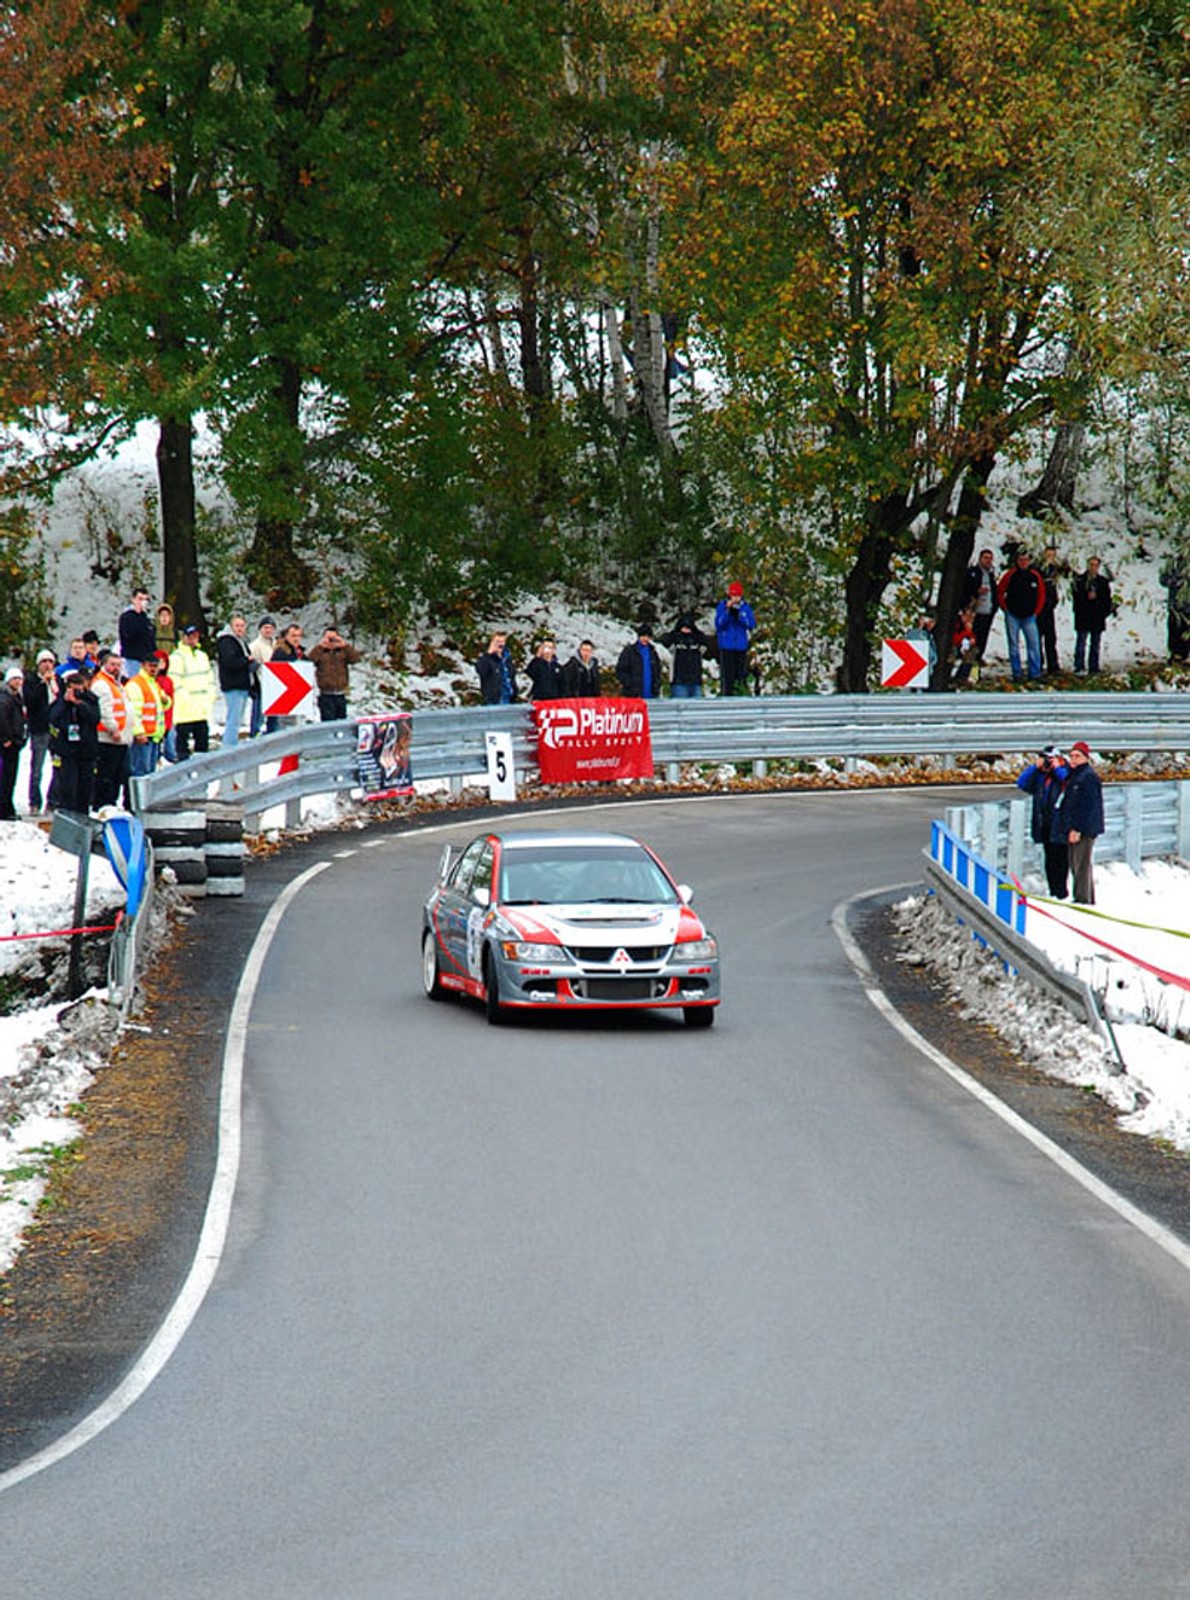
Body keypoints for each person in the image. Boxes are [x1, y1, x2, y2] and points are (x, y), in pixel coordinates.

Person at [1016, 745, 1070, 899]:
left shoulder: (1064, 772)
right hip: (1044, 823)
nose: (1047, 763)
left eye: (1049, 759)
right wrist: (1035, 767)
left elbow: (1069, 783)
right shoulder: (1040, 776)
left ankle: (1061, 892)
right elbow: (1021, 783)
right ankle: (1053, 891)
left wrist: (1057, 768)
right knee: (1049, 859)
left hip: (1060, 823)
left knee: (1061, 859)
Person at [1055, 740, 1104, 904]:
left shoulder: (1088, 777)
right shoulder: (1074, 775)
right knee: (1076, 863)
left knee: (1080, 865)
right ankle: (1085, 897)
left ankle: (1082, 899)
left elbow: (1089, 807)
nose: (1074, 759)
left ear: (1086, 758)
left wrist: (1077, 829)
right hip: (1073, 827)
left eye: (1078, 756)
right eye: (1072, 756)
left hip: (1084, 830)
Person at [47, 667, 100, 813]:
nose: (76, 692)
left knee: (85, 788)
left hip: (86, 749)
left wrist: (78, 703)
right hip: (67, 750)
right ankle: (67, 813)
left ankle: (83, 814)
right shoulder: (60, 701)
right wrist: (65, 702)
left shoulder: (90, 699)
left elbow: (94, 718)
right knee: (68, 787)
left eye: (79, 689)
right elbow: (53, 718)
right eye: (73, 689)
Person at [91, 649, 136, 808]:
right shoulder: (102, 684)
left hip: (121, 738)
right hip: (108, 738)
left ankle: (110, 804)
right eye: (112, 664)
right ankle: (103, 806)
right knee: (107, 777)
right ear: (104, 665)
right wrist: (113, 729)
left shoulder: (117, 684)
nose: (116, 668)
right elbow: (105, 711)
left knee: (117, 776)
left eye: (118, 665)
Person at [996, 548, 1046, 682]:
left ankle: (1034, 673)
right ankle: (1016, 673)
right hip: (1013, 615)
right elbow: (1000, 591)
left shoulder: (1035, 576)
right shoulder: (1010, 575)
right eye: (1021, 560)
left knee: (1034, 645)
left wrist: (1036, 611)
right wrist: (1005, 608)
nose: (1023, 562)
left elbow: (1041, 594)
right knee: (1013, 645)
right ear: (1017, 561)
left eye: (1026, 560)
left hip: (1030, 616)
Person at [169, 622, 216, 760]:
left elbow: (210, 679)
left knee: (202, 746)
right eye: (190, 636)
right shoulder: (177, 657)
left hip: (201, 710)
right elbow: (175, 683)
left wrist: (210, 696)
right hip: (184, 712)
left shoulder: (202, 656)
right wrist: (186, 701)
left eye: (195, 636)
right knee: (182, 746)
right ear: (183, 637)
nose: (193, 639)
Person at [23, 650, 58, 812]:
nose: (47, 665)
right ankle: (34, 801)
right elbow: (31, 701)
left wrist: (53, 684)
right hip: (39, 728)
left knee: (58, 767)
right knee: (37, 768)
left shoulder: (57, 681)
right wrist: (42, 684)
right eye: (44, 662)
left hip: (55, 729)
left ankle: (53, 800)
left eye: (50, 662)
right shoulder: (31, 681)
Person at [124, 656, 167, 780]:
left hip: (153, 735)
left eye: (155, 666)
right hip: (143, 737)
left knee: (150, 774)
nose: (153, 669)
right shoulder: (136, 684)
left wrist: (166, 701)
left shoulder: (153, 684)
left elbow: (160, 707)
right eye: (150, 666)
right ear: (143, 666)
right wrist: (138, 732)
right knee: (141, 773)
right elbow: (134, 711)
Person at [308, 626, 361, 721]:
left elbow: (355, 659)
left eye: (334, 638)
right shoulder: (320, 652)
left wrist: (345, 645)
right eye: (329, 638)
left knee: (342, 720)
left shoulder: (343, 651)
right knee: (328, 721)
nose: (331, 641)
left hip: (340, 693)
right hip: (326, 694)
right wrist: (320, 647)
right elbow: (309, 661)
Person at [216, 615, 254, 745]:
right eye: (237, 626)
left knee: (237, 719)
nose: (240, 628)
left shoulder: (241, 641)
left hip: (242, 684)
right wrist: (246, 660)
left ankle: (232, 745)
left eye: (242, 626)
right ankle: (229, 747)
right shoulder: (227, 641)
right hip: (233, 685)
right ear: (231, 627)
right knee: (234, 720)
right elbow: (230, 661)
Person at [1072, 556, 1113, 675]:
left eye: (1095, 565)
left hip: (1097, 616)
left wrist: (1103, 613)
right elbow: (1076, 598)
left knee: (1095, 644)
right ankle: (1079, 666)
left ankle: (1094, 667)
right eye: (1091, 565)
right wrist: (1086, 598)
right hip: (1083, 615)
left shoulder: (1103, 582)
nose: (1093, 567)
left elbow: (1107, 600)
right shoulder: (1079, 580)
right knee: (1081, 642)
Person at [714, 581, 757, 696]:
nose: (735, 598)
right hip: (727, 646)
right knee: (727, 676)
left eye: (737, 595)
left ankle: (740, 693)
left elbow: (751, 624)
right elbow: (719, 624)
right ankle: (727, 695)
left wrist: (740, 615)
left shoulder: (745, 607)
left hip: (740, 646)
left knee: (740, 675)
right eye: (733, 595)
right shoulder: (722, 606)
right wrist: (728, 611)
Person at [660, 612, 713, 698]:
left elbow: (707, 643)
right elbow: (665, 643)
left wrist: (695, 634)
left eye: (689, 627)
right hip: (679, 680)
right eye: (684, 627)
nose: (686, 630)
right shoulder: (675, 639)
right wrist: (678, 634)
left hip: (695, 680)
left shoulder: (697, 638)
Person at [0, 666, 27, 820]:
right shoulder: (5, 698)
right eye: (14, 679)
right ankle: (4, 808)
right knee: (6, 777)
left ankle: (7, 806)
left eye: (19, 679)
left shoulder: (17, 697)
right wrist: (5, 739)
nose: (17, 682)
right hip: (8, 743)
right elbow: (2, 719)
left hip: (16, 741)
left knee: (11, 777)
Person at [963, 548, 999, 661]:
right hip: (974, 610)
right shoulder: (972, 572)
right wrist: (976, 591)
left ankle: (978, 657)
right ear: (980, 559)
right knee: (972, 636)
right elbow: (965, 589)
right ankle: (969, 659)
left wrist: (995, 606)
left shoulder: (991, 574)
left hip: (988, 610)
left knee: (983, 636)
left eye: (990, 558)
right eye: (985, 558)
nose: (988, 561)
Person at [1035, 546, 1064, 676]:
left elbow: (1053, 588)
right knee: (1037, 637)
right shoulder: (1038, 569)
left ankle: (1053, 665)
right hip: (1038, 608)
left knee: (1051, 638)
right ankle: (1038, 664)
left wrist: (1054, 601)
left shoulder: (1053, 570)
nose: (1050, 558)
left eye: (1052, 555)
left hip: (1049, 608)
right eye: (1048, 555)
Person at [615, 624, 662, 699]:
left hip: (651, 694)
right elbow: (620, 670)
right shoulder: (629, 651)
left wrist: (657, 685)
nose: (645, 639)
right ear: (638, 636)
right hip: (633, 695)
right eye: (643, 636)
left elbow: (658, 671)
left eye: (648, 637)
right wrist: (629, 683)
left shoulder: (653, 652)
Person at [117, 586, 156, 677]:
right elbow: (129, 635)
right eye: (140, 599)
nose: (143, 602)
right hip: (132, 659)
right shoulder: (127, 617)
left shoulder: (146, 619)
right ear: (133, 599)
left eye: (145, 600)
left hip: (145, 660)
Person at [248, 617, 277, 735]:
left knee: (274, 713)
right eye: (265, 627)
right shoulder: (254, 646)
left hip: (276, 683)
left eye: (270, 628)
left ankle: (273, 732)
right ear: (260, 629)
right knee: (259, 712)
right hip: (260, 682)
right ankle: (255, 733)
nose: (268, 630)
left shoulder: (277, 645)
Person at [476, 632, 518, 705]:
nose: (500, 644)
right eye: (497, 641)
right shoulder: (487, 658)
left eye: (502, 642)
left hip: (509, 697)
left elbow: (511, 675)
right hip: (494, 699)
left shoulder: (507, 658)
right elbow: (481, 670)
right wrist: (489, 654)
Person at [153, 649, 177, 762]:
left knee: (170, 748)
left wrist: (168, 723)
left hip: (167, 720)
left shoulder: (168, 681)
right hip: (153, 723)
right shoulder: (151, 681)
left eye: (163, 662)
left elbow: (170, 703)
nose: (161, 665)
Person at [949, 606, 977, 687]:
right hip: (954, 646)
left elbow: (972, 639)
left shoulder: (969, 626)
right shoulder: (957, 624)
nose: (969, 619)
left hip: (963, 647)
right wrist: (966, 632)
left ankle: (962, 677)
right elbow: (954, 639)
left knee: (973, 652)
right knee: (953, 652)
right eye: (967, 616)